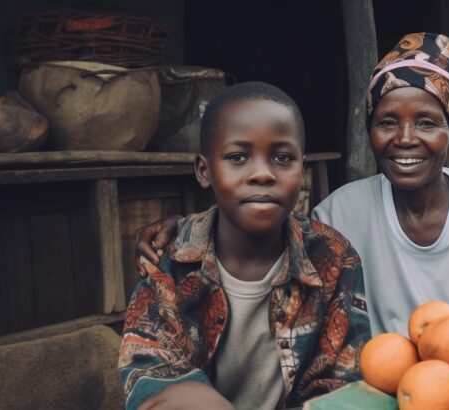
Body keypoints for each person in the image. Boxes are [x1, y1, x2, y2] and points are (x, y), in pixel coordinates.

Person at [135, 33, 449, 339]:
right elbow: (268, 237)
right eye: (387, 121)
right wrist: (190, 230)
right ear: (370, 130)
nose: (405, 138)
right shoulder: (340, 213)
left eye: (427, 123)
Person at [119, 82, 371, 410]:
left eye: (282, 157)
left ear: (303, 172)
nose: (262, 174)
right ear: (204, 170)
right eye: (238, 157)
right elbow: (151, 373)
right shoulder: (169, 258)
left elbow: (343, 381)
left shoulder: (334, 257)